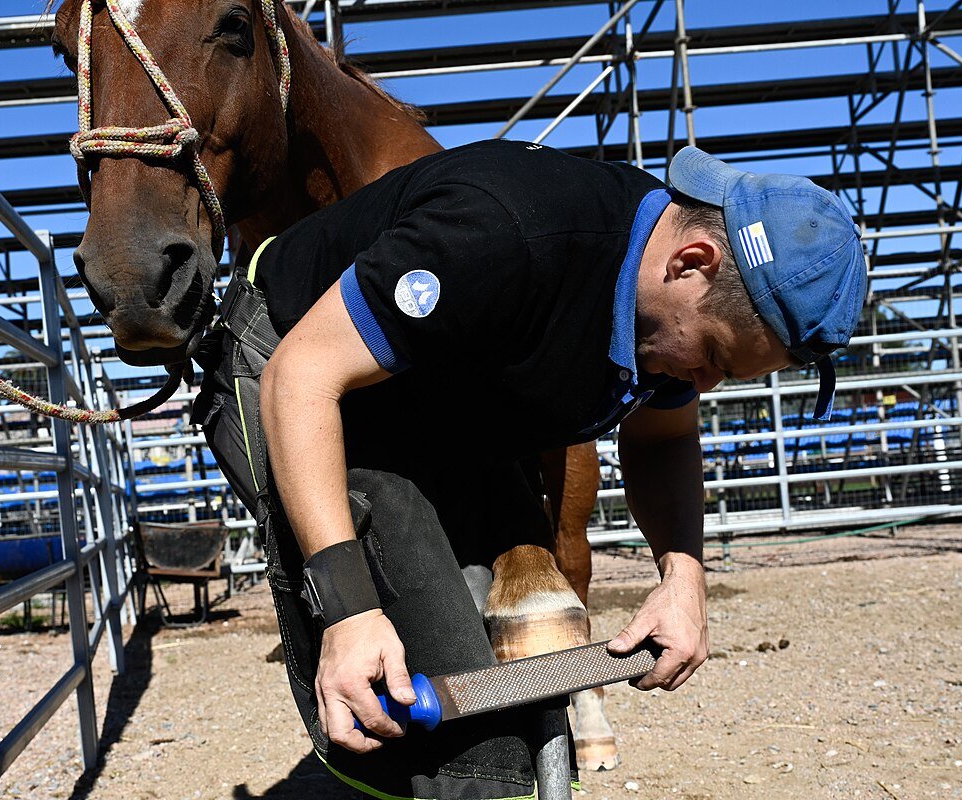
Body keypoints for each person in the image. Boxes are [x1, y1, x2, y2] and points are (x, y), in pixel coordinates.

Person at [194, 142, 867, 800]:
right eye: (713, 357)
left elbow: (663, 438)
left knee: (523, 674)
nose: (704, 384)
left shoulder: (661, 310)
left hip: (441, 404)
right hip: (297, 368)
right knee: (446, 720)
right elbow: (303, 377)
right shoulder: (504, 232)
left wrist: (683, 575)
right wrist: (348, 611)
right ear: (691, 262)